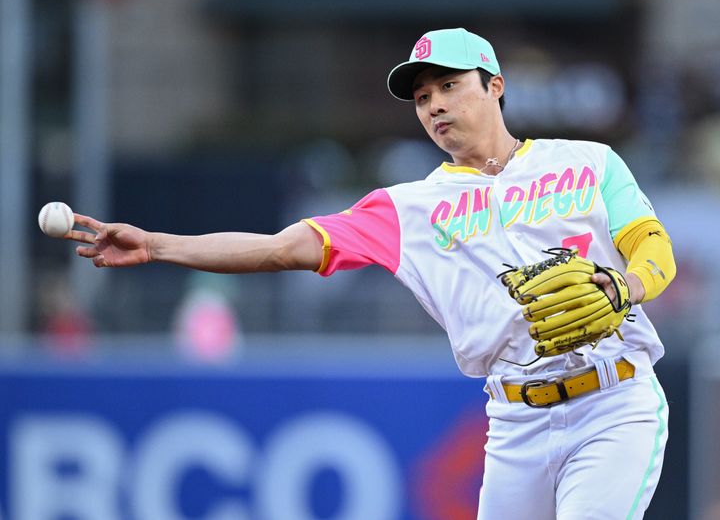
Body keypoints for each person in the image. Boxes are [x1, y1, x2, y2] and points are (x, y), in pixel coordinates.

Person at [67, 28, 676, 520]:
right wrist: (159, 244)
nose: (435, 104)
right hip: (515, 421)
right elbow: (282, 248)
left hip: (613, 402)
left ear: (495, 87)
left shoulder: (589, 163)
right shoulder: (407, 209)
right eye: (421, 97)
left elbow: (652, 247)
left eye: (449, 85)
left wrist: (628, 286)